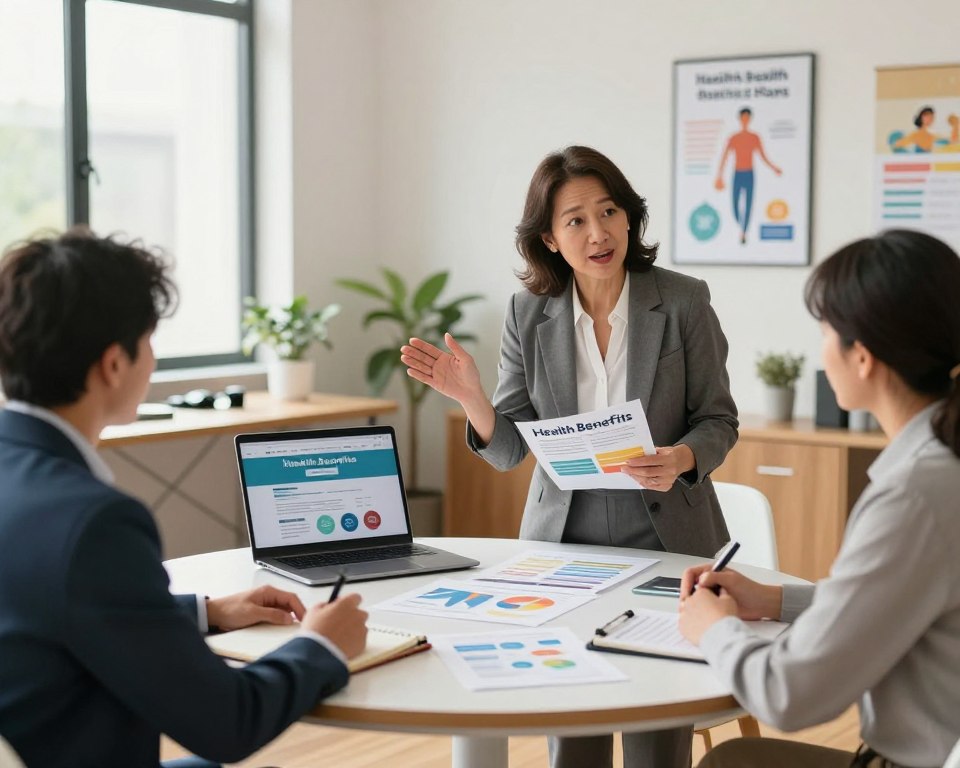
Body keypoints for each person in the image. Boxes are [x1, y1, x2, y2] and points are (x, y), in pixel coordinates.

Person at [401, 146, 738, 768]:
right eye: (575, 220)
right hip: (563, 548)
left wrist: (684, 456)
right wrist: (473, 398)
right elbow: (508, 451)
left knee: (654, 733)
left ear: (630, 219)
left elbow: (719, 417)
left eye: (609, 211)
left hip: (666, 540)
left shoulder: (683, 300)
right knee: (573, 732)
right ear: (550, 239)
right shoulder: (528, 315)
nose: (598, 232)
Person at [0, 230, 369, 768]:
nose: (152, 361)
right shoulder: (93, 522)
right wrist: (321, 645)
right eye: (149, 342)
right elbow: (228, 722)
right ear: (113, 364)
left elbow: (43, 606)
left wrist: (206, 612)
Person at [678, 229, 960, 768]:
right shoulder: (941, 466)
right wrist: (775, 600)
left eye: (827, 329)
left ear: (863, 357)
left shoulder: (915, 495)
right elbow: (894, 598)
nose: (821, 348)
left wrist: (714, 628)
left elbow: (788, 693)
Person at [714, 108, 782, 245]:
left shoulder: (754, 137)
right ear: (740, 119)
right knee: (735, 204)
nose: (745, 120)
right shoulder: (734, 138)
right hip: (737, 174)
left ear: (749, 119)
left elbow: (763, 156)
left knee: (748, 204)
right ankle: (740, 225)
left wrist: (774, 168)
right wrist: (720, 175)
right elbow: (725, 157)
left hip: (749, 174)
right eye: (743, 117)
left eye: (747, 117)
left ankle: (744, 232)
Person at [892, 106, 960, 153]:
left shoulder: (932, 135)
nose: (930, 119)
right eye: (927, 116)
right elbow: (897, 145)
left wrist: (955, 125)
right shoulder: (916, 134)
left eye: (932, 117)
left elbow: (951, 141)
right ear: (921, 118)